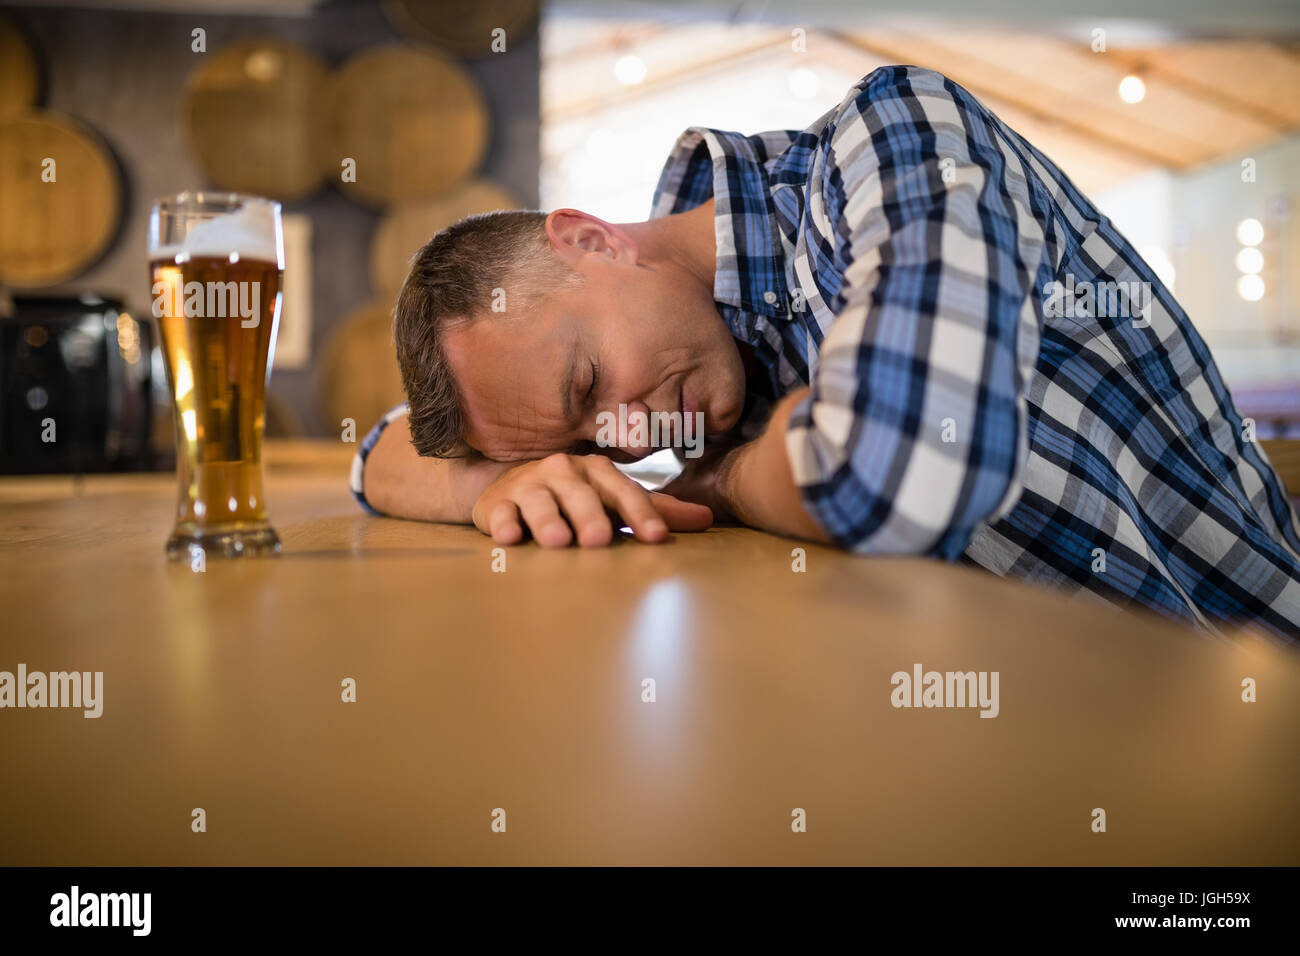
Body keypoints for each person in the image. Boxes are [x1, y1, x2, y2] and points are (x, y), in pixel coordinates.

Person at [350, 65, 1300, 642]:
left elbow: (900, 473)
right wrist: (487, 489)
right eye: (588, 440)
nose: (633, 435)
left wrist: (727, 481)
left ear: (591, 239)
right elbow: (381, 451)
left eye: (590, 384)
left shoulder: (896, 139)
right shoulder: (702, 353)